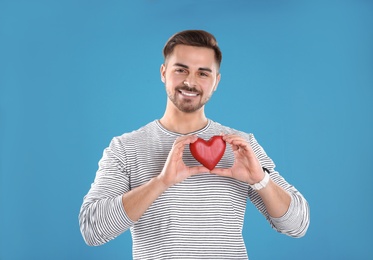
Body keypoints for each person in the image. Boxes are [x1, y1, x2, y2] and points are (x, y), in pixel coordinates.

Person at [79, 30, 310, 259]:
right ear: (163, 72)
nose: (190, 82)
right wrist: (161, 182)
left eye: (203, 73)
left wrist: (260, 180)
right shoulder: (126, 147)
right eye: (181, 70)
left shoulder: (241, 145)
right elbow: (92, 230)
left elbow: (297, 225)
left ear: (216, 81)